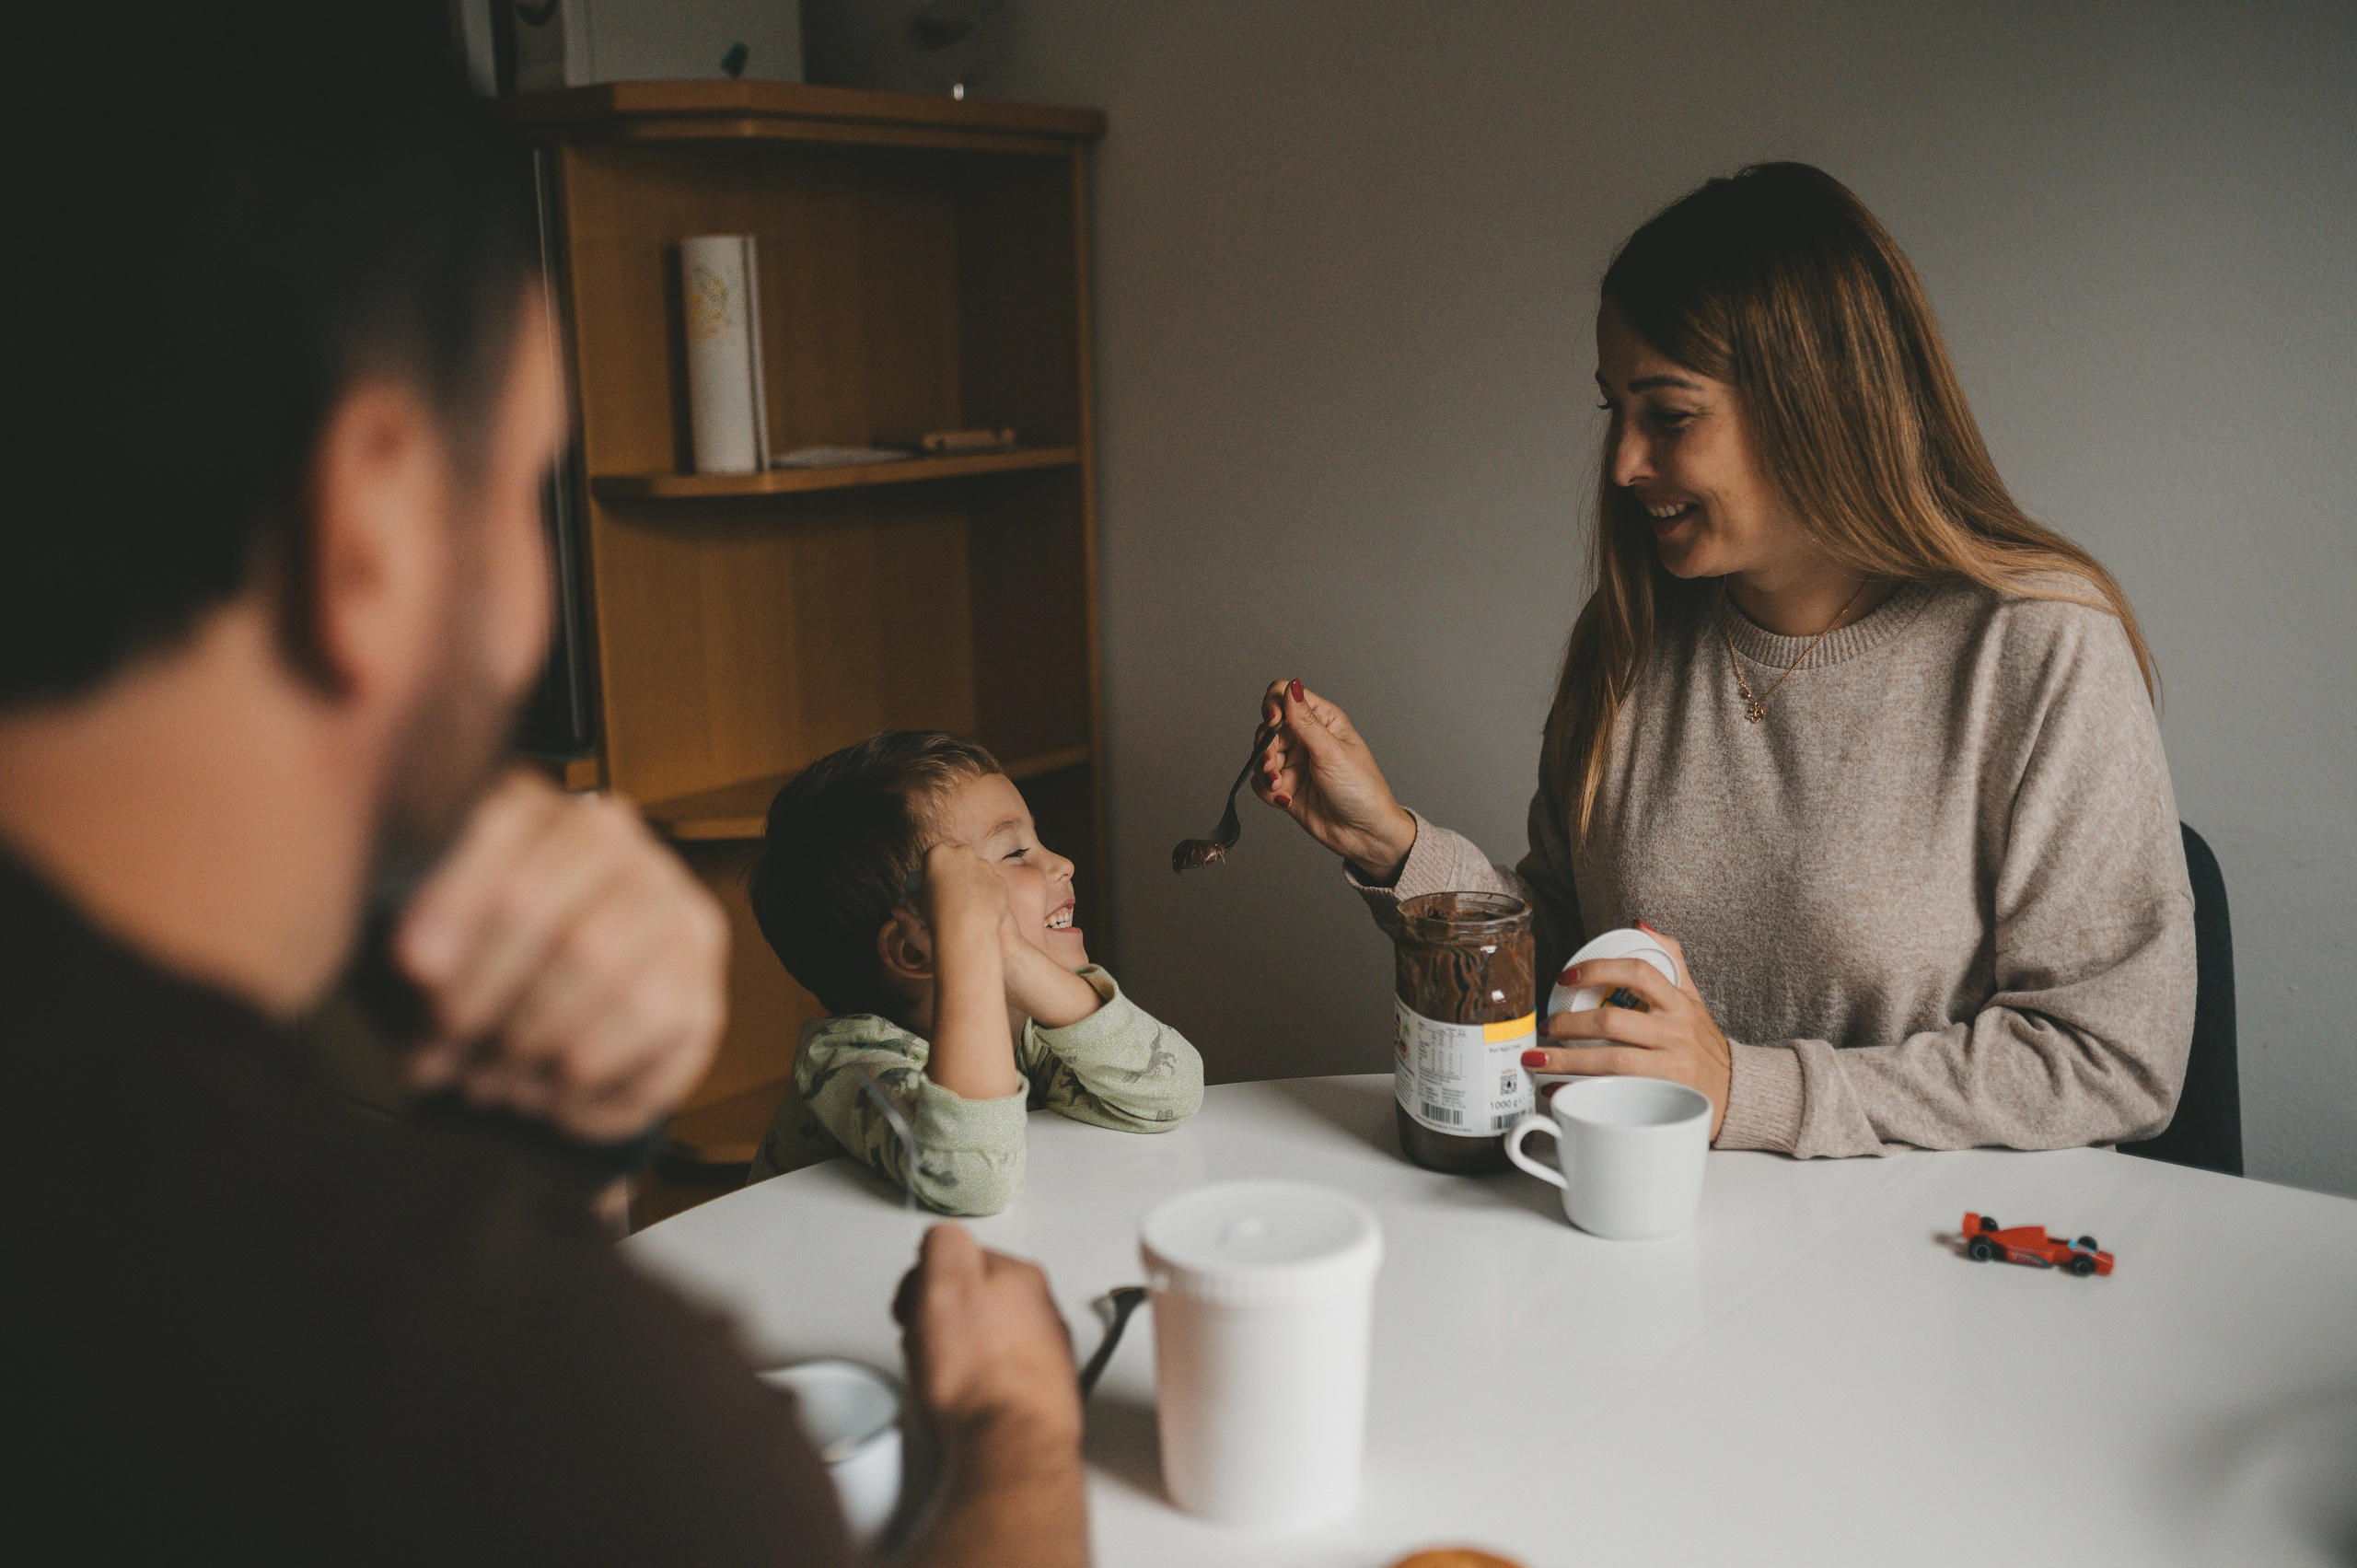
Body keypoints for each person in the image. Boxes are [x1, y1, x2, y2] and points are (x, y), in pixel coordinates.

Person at [0, 6, 1085, 1564]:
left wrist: (537, 1186)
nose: (532, 601)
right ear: (367, 530)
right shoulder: (522, 1407)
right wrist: (1020, 1436)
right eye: (522, 488)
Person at [1252, 163, 2195, 1159]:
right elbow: (1571, 980)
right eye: (1613, 408)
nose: (1620, 463)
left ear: (1815, 405)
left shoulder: (2036, 645)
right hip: (1644, 1241)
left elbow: (2110, 1057)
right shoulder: (1627, 640)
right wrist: (1394, 849)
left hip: (1927, 1264)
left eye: (1669, 413)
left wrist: (1746, 1088)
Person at [747, 731, 1202, 1214]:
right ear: (915, 950)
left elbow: (1170, 1094)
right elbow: (974, 1180)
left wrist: (1016, 961)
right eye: (1014, 853)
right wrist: (975, 943)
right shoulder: (849, 1064)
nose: (1063, 864)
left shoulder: (1030, 1029)